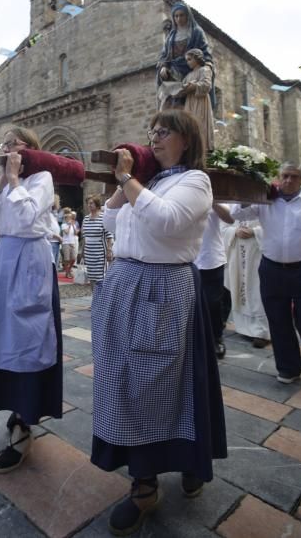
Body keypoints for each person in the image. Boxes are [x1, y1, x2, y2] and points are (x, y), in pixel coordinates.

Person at [91, 109, 227, 536]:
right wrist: (124, 182)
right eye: (151, 131)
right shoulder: (148, 182)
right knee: (123, 381)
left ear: (186, 139)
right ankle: (146, 479)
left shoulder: (195, 182)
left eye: (164, 132)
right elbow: (106, 223)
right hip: (124, 284)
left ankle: (173, 467)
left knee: (159, 381)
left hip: (163, 288)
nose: (154, 137)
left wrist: (130, 181)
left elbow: (166, 221)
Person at [0, 126, 62, 473]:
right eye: (3, 144)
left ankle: (25, 418)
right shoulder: (3, 181)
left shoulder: (42, 178)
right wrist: (0, 180)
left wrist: (14, 180)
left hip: (29, 260)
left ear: (30, 150)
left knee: (27, 335)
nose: (6, 148)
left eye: (14, 144)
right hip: (3, 259)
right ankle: (10, 406)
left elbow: (25, 216)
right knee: (0, 335)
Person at [230, 162, 301, 383]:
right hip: (272, 269)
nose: (288, 181)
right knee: (278, 320)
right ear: (279, 177)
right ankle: (288, 369)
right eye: (285, 176)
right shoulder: (265, 198)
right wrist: (248, 189)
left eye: (294, 176)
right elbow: (237, 213)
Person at [156, 2, 213, 111]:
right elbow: (164, 55)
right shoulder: (171, 36)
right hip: (173, 72)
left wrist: (207, 66)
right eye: (176, 16)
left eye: (182, 15)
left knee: (186, 104)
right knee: (169, 102)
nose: (179, 19)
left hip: (190, 71)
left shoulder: (196, 32)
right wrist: (163, 66)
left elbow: (205, 53)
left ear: (187, 16)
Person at [195, 204, 234, 359]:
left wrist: (213, 199)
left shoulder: (216, 193)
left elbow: (230, 218)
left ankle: (216, 337)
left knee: (213, 303)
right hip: (184, 257)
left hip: (211, 258)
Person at [222, 219, 270, 348]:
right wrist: (234, 231)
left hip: (258, 253)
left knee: (257, 291)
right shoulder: (235, 207)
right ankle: (244, 328)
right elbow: (223, 228)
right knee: (240, 288)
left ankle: (262, 332)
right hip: (238, 250)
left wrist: (255, 232)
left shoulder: (266, 204)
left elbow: (277, 227)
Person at [174, 48, 215, 151]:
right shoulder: (188, 75)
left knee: (199, 123)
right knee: (189, 124)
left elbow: (207, 85)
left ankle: (203, 148)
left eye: (189, 59)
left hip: (200, 100)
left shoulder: (204, 69)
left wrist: (193, 86)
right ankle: (191, 148)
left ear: (197, 58)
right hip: (189, 102)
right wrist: (178, 91)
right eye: (187, 60)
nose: (188, 62)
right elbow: (182, 88)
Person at [81, 195, 113, 289]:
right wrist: (82, 252)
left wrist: (109, 250)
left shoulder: (103, 217)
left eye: (91, 203)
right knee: (91, 277)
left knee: (101, 278)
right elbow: (84, 237)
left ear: (97, 204)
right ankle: (94, 298)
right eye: (88, 203)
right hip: (89, 253)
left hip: (100, 253)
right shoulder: (86, 218)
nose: (89, 205)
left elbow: (109, 236)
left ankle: (102, 299)